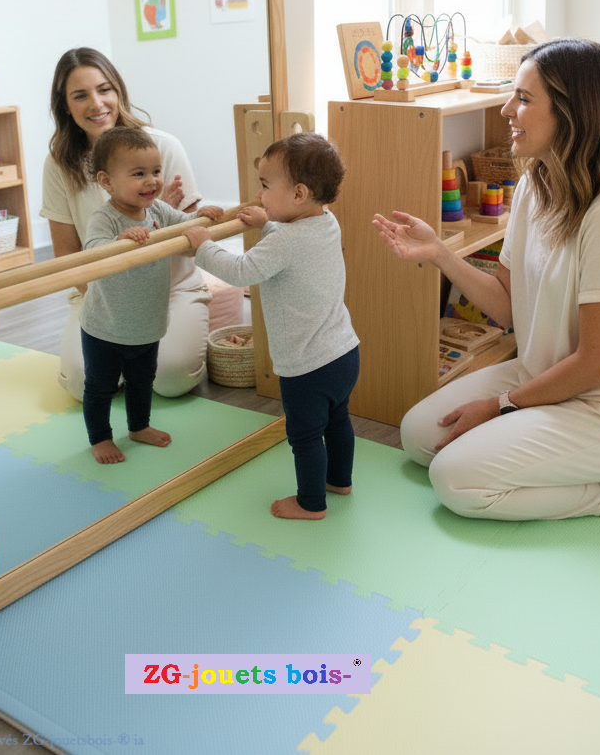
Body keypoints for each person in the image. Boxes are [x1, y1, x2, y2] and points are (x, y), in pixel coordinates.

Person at [373, 38, 600, 521]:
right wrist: (439, 254)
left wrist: (501, 406)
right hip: (544, 376)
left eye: (524, 99)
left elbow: (596, 364)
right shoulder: (535, 184)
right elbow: (507, 304)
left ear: (573, 112)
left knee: (455, 480)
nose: (507, 109)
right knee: (419, 435)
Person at [185, 132, 360, 520]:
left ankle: (311, 503)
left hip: (306, 365)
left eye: (265, 186)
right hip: (344, 353)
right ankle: (340, 480)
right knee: (337, 421)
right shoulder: (326, 222)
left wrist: (203, 246)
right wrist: (267, 223)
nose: (259, 194)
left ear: (298, 193)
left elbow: (243, 269)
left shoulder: (286, 242)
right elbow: (289, 249)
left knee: (304, 436)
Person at [40, 47, 215, 400]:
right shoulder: (60, 165)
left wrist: (155, 219)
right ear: (65, 106)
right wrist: (112, 317)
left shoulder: (163, 147)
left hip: (170, 289)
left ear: (118, 92)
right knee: (79, 382)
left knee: (169, 378)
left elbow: (195, 240)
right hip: (101, 296)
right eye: (80, 95)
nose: (96, 103)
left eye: (104, 89)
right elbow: (68, 256)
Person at [80, 127, 223, 463]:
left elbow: (185, 226)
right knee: (99, 387)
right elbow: (92, 251)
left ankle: (138, 426)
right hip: (106, 327)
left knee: (142, 380)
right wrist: (121, 240)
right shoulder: (104, 218)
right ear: (107, 181)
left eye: (155, 172)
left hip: (148, 323)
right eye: (138, 174)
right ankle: (100, 438)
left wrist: (203, 216)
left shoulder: (158, 211)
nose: (151, 181)